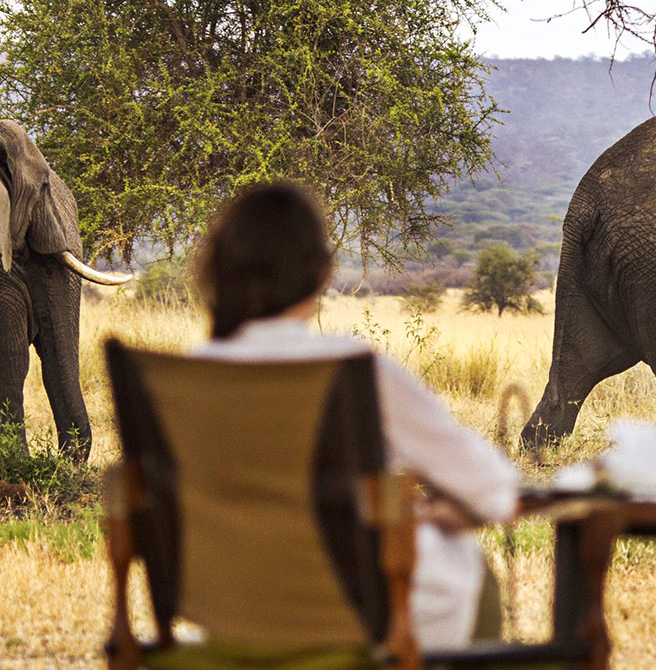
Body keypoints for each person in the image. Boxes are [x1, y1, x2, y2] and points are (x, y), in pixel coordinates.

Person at [190, 180, 518, 651]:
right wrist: (431, 514)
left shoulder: (188, 375)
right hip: (366, 615)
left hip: (231, 617)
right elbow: (494, 492)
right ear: (322, 273)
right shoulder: (355, 370)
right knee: (475, 578)